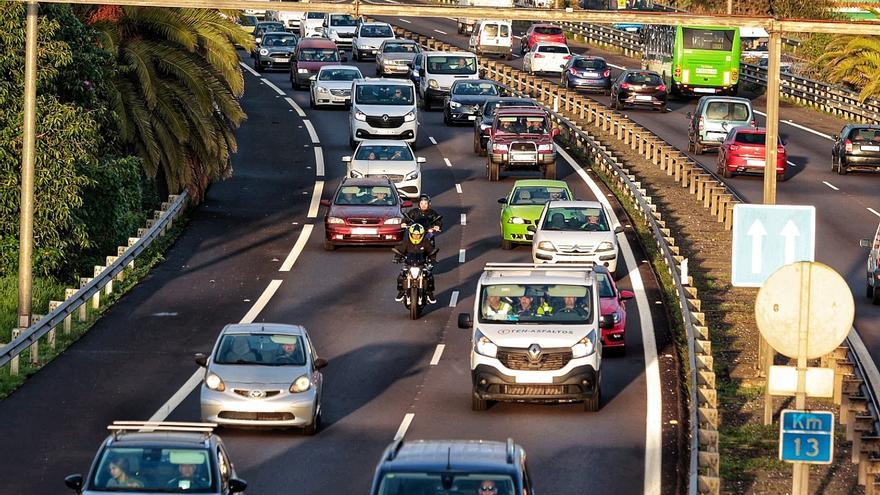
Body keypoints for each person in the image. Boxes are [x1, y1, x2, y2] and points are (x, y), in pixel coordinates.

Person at [394, 224, 438, 304]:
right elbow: (400, 251)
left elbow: (432, 251)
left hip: (422, 263)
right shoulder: (406, 242)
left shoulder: (425, 242)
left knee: (429, 276)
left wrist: (433, 259)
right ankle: (401, 291)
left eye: (418, 235)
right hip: (409, 263)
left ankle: (429, 293)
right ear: (411, 234)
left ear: (421, 235)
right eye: (414, 234)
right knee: (401, 276)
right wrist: (397, 258)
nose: (416, 236)